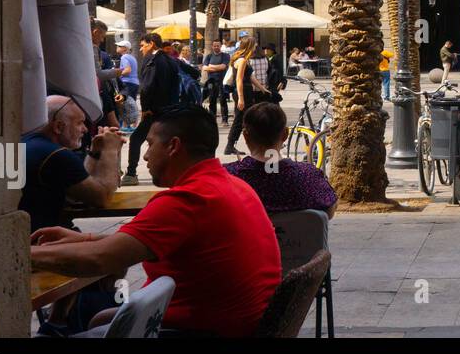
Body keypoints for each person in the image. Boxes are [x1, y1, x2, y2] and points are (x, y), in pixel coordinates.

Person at [30, 109, 281, 338]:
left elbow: (99, 259)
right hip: (236, 325)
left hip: (200, 330)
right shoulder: (233, 186)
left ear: (173, 146)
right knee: (100, 320)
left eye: (150, 144)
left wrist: (20, 255)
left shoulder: (188, 200)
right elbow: (137, 242)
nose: (146, 156)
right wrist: (83, 239)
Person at [20, 96, 124, 233]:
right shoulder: (56, 155)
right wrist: (110, 149)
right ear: (58, 126)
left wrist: (94, 152)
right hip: (43, 238)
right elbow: (102, 198)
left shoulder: (28, 143)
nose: (85, 129)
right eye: (80, 123)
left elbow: (80, 189)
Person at [226, 103, 338, 216]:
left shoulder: (228, 176)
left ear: (245, 135)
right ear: (285, 134)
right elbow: (329, 209)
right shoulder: (309, 175)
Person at [123, 32, 199, 186]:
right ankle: (178, 172)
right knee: (169, 142)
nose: (141, 49)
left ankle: (131, 174)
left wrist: (145, 109)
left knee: (136, 139)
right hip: (170, 110)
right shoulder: (171, 60)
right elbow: (195, 73)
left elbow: (147, 87)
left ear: (151, 44)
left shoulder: (152, 60)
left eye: (143, 45)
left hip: (154, 111)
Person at [224, 35, 267, 157]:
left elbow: (251, 77)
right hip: (243, 92)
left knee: (243, 120)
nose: (255, 47)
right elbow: (239, 80)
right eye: (254, 44)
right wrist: (241, 98)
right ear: (249, 45)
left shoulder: (244, 59)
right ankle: (232, 145)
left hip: (245, 91)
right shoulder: (242, 60)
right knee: (244, 120)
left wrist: (263, 89)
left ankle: (231, 145)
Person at [91, 19, 124, 129]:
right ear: (95, 32)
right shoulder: (93, 48)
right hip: (98, 95)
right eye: (102, 36)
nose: (102, 40)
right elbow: (97, 73)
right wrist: (116, 72)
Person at [201, 39, 231, 125]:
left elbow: (223, 67)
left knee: (223, 100)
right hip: (211, 81)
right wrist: (216, 67)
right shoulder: (209, 56)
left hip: (222, 81)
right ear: (212, 46)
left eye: (218, 45)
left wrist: (211, 66)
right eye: (214, 45)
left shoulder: (225, 56)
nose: (216, 47)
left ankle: (225, 120)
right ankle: (212, 120)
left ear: (221, 46)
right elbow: (204, 68)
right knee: (212, 100)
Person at [115, 39, 141, 130]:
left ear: (125, 49)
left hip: (127, 82)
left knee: (125, 104)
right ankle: (133, 125)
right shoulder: (132, 57)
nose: (117, 47)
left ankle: (125, 126)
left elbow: (127, 70)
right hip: (135, 83)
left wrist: (116, 74)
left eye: (119, 46)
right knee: (132, 104)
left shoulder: (124, 57)